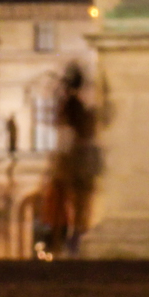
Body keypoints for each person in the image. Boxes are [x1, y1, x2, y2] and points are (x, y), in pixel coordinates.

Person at [42, 64, 100, 256]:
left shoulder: (68, 106)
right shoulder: (78, 107)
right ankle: (73, 242)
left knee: (61, 205)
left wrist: (56, 164)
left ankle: (62, 244)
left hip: (70, 159)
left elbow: (65, 135)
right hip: (80, 159)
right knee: (79, 205)